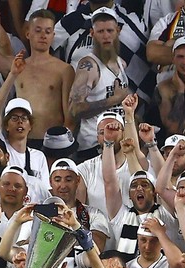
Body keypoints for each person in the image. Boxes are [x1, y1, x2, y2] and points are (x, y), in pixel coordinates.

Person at [67, 7, 131, 159]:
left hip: (119, 144)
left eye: (110, 30)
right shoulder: (88, 66)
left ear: (118, 31)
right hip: (94, 147)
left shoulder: (122, 64)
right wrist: (113, 100)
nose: (106, 36)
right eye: (100, 31)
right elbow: (74, 110)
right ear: (92, 34)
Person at [15, 10, 76, 145]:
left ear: (53, 36)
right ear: (28, 33)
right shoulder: (17, 67)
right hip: (21, 141)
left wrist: (62, 145)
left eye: (48, 32)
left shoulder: (65, 69)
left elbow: (70, 117)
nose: (43, 35)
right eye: (38, 30)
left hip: (53, 142)